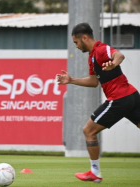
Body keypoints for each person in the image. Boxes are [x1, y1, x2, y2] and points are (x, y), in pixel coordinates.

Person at [57, 23, 140, 183]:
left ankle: (95, 172)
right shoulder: (92, 57)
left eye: (76, 42)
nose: (76, 46)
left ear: (85, 37)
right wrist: (71, 80)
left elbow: (119, 55)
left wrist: (114, 63)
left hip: (119, 98)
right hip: (132, 95)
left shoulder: (101, 49)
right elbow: (94, 82)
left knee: (88, 130)